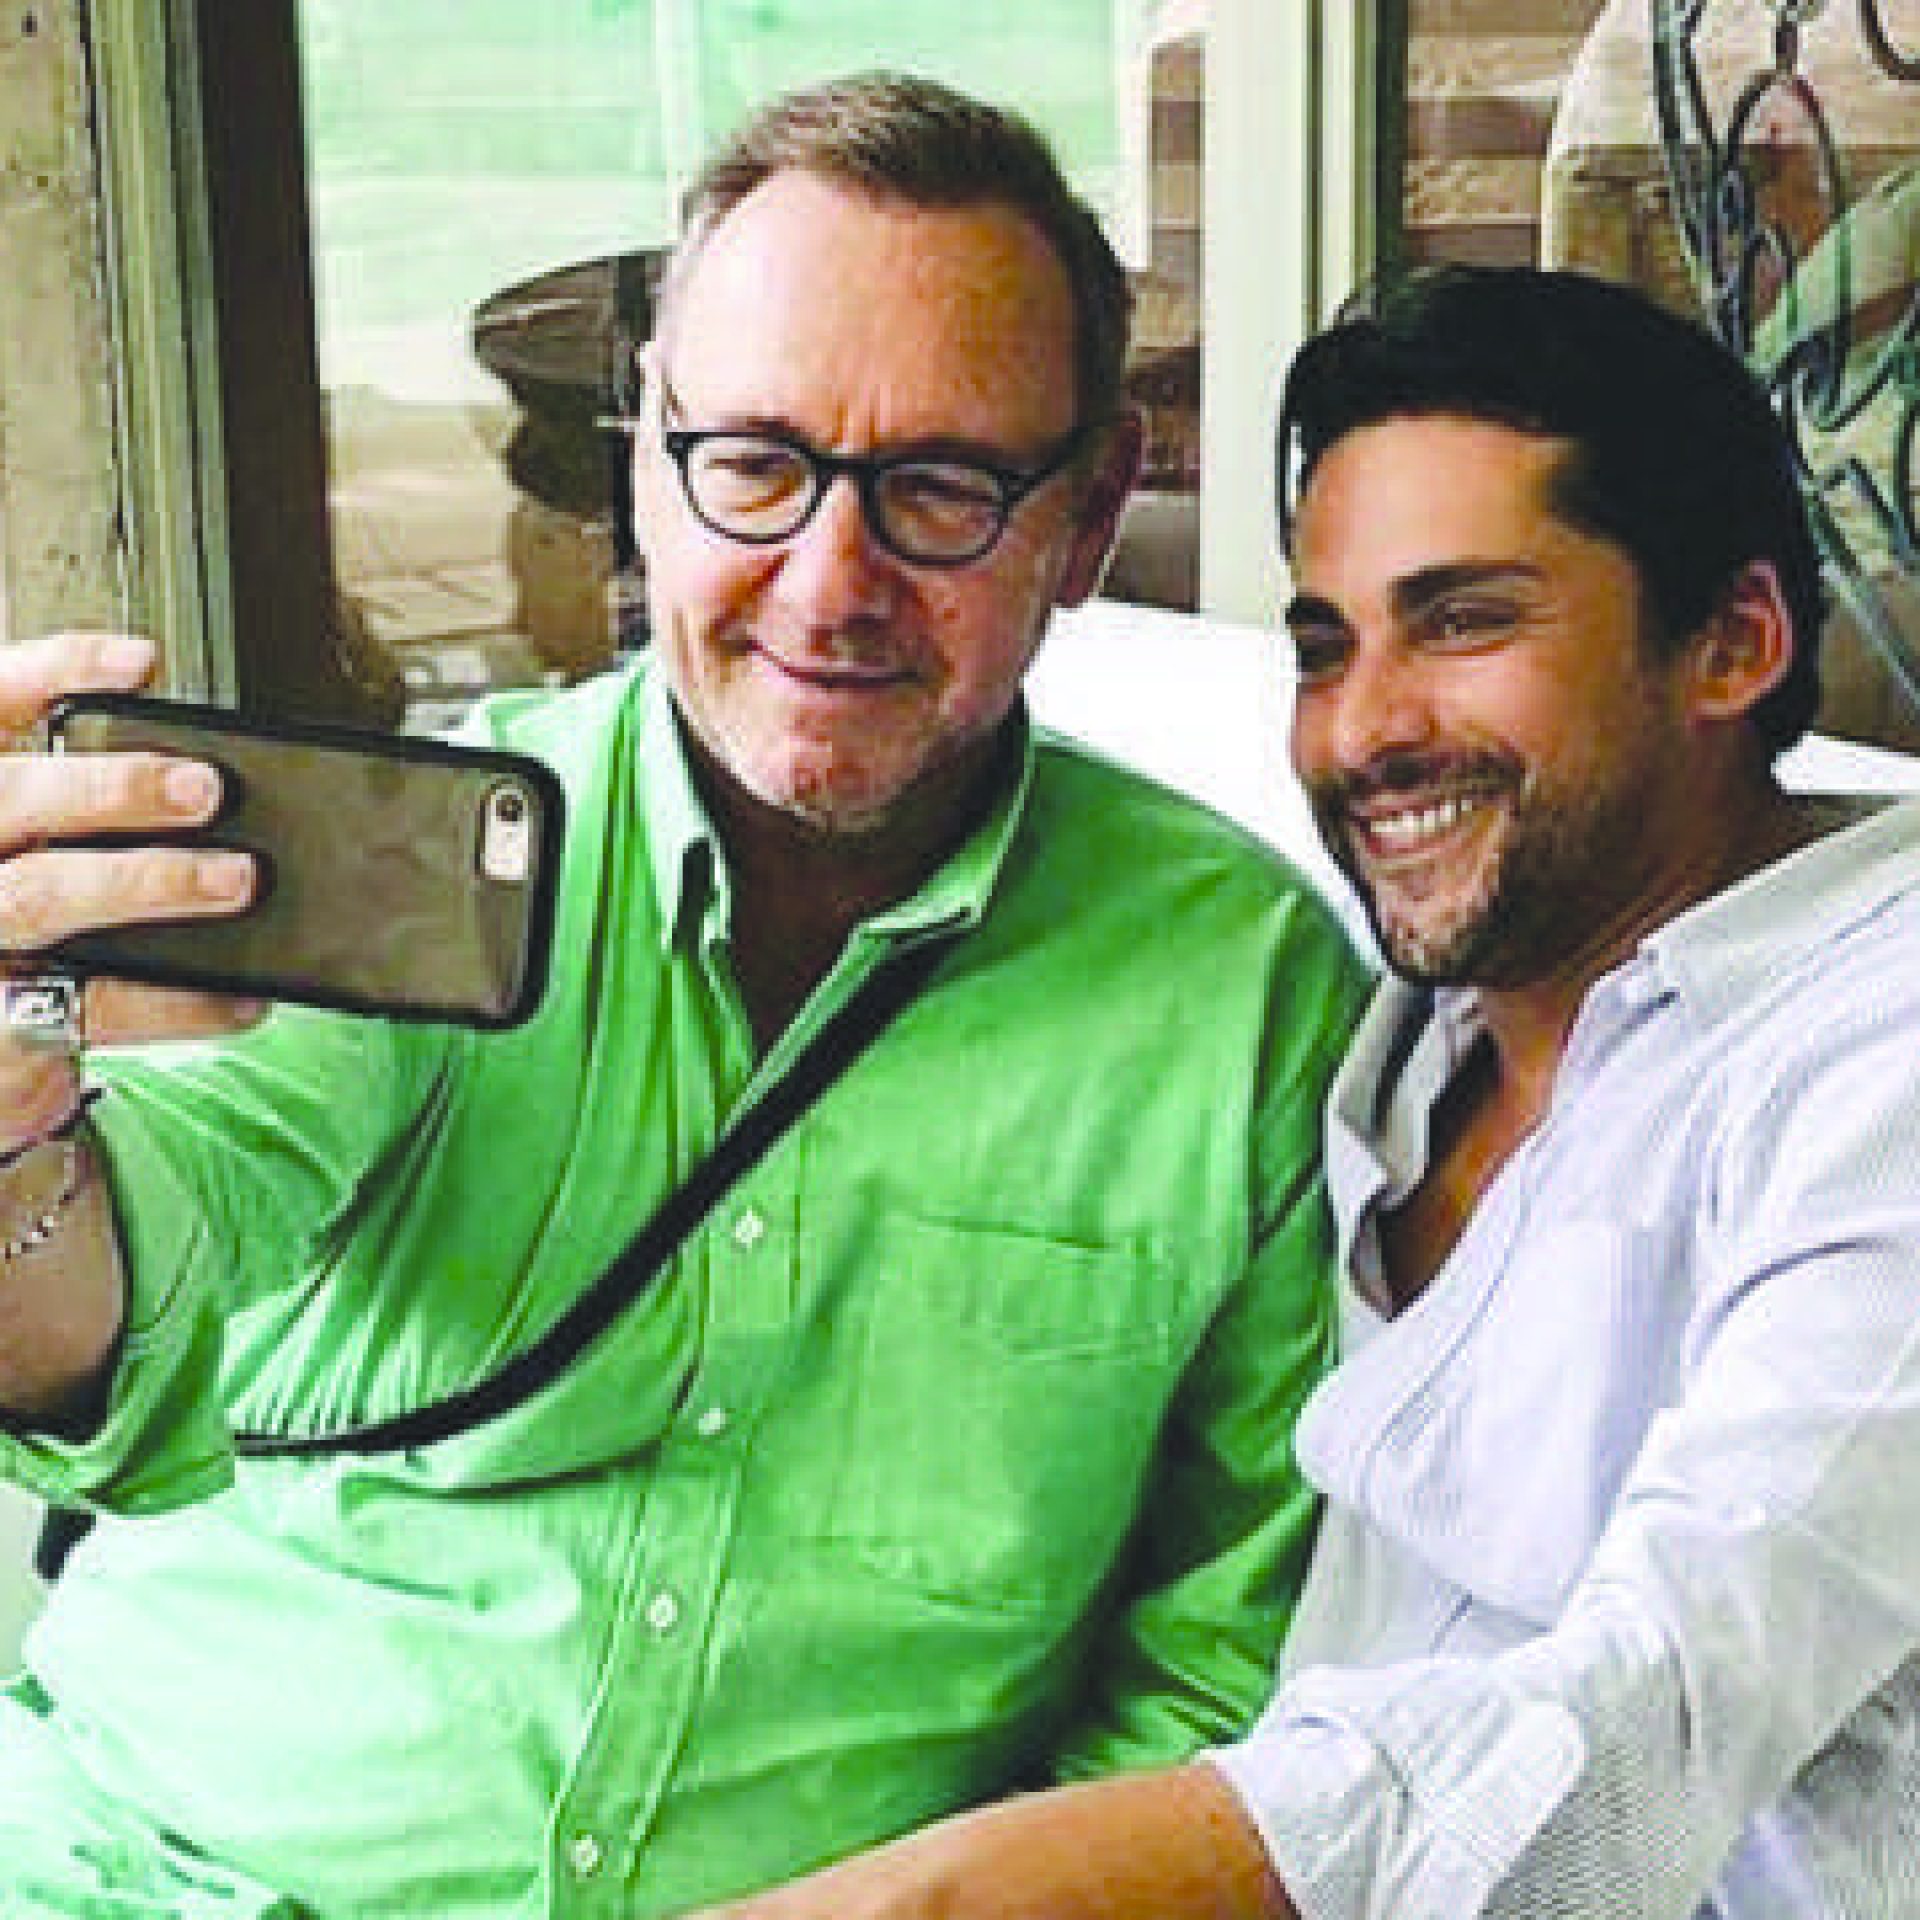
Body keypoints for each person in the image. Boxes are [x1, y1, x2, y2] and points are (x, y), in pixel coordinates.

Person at [0, 71, 1364, 1919]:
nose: (830, 582)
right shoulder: (416, 876)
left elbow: (1202, 1683)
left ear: (1093, 510)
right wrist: (14, 1150)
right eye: (757, 464)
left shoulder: (1242, 997)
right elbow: (122, 1287)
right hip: (152, 1869)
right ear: (647, 454)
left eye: (940, 489)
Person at [676, 265, 1920, 1919]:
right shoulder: (1382, 1030)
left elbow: (1651, 1720)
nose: (1364, 732)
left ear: (1735, 643)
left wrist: (917, 1902)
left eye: (1465, 621)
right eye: (1327, 647)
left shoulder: (1876, 1060)